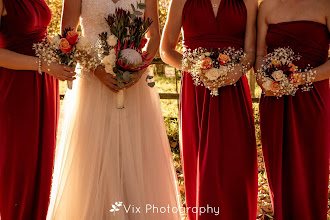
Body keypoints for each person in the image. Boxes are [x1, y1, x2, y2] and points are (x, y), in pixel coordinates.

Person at [46, 0, 181, 219]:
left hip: (135, 83)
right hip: (92, 82)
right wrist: (97, 70)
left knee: (135, 152)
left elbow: (154, 35)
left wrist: (139, 69)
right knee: (93, 154)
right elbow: (68, 34)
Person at [160, 0, 258, 219]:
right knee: (201, 163)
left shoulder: (249, 2)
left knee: (236, 164)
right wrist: (196, 68)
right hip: (196, 91)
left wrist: (236, 71)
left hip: (233, 89)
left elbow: (250, 52)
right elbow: (166, 49)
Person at [0, 0, 75, 219]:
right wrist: (43, 65)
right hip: (17, 85)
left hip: (45, 82)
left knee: (42, 161)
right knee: (20, 162)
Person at [256, 0, 330, 219]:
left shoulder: (325, 4)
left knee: (311, 170)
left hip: (313, 100)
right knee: (279, 173)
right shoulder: (266, 6)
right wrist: (263, 80)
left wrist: (302, 78)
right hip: (274, 99)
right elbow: (260, 55)